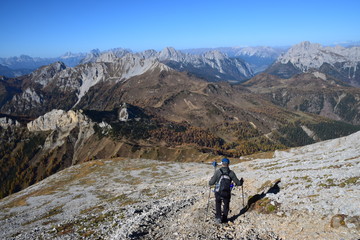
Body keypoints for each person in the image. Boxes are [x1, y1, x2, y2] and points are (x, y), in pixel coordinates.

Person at [209, 158, 243, 224]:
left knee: (218, 203)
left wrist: (210, 181)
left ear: (222, 163)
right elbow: (238, 183)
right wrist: (241, 181)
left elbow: (211, 183)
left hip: (218, 192)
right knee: (226, 204)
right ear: (228, 164)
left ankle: (218, 218)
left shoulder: (218, 172)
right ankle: (224, 219)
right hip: (227, 192)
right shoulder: (231, 173)